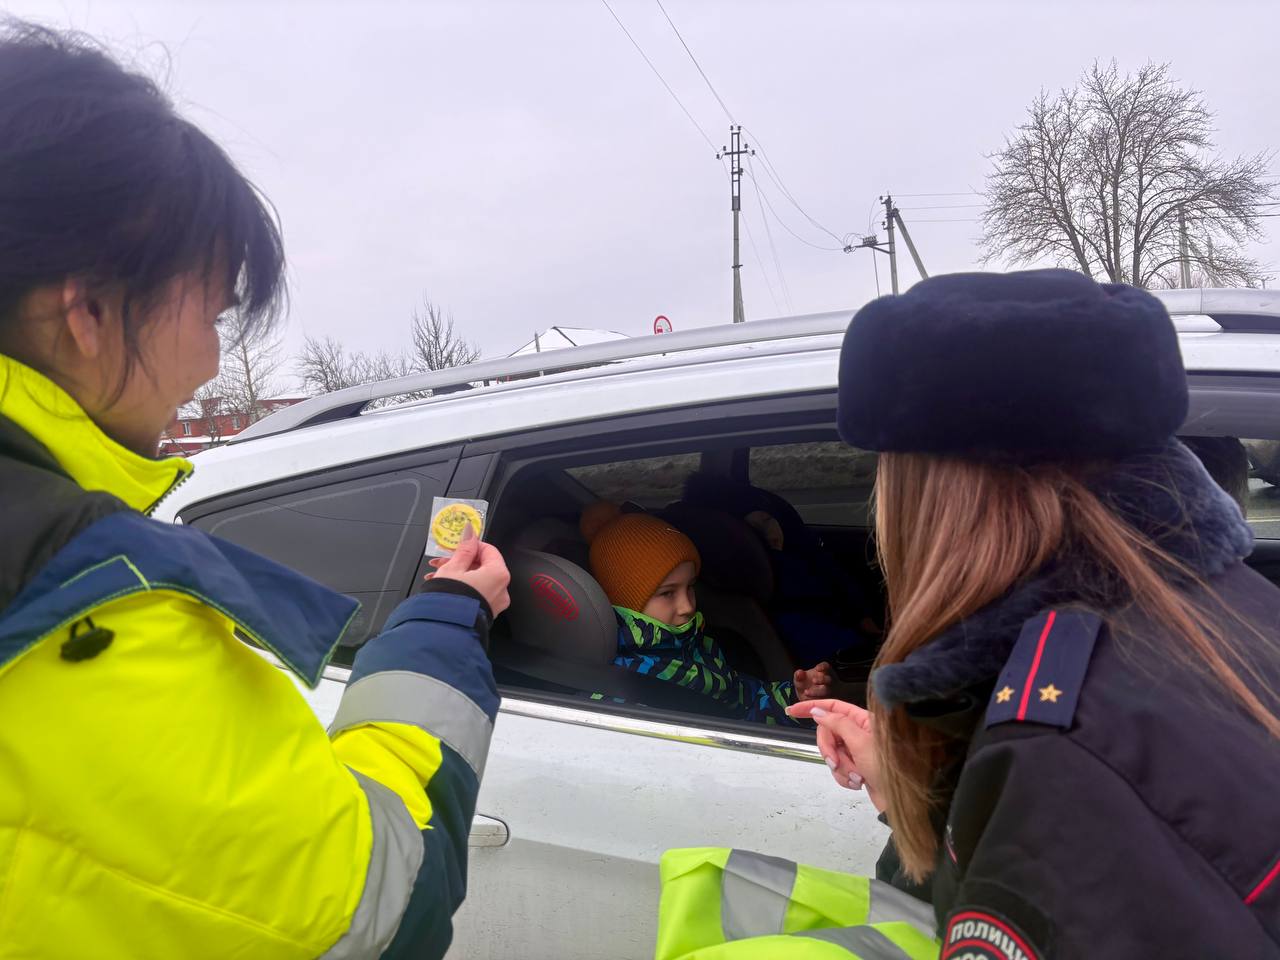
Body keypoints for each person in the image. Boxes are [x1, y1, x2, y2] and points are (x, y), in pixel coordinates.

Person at [0, 24, 509, 960]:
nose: (209, 360)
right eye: (216, 309)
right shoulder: (85, 614)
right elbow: (379, 900)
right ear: (88, 312)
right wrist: (439, 627)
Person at [654, 269, 1280, 959]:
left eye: (887, 473)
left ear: (932, 496)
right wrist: (914, 794)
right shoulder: (1231, 609)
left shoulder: (1057, 750)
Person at [581, 501, 832, 724]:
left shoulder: (695, 646)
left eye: (689, 587)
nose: (688, 606)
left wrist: (794, 698)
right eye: (668, 593)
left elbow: (746, 700)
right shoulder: (621, 694)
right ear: (627, 600)